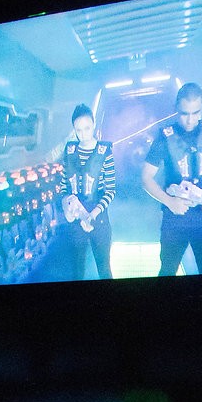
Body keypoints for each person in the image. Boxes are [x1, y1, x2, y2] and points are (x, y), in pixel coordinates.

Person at [141, 83, 202, 276]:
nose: (190, 120)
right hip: (174, 218)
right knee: (167, 271)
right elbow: (146, 177)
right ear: (176, 108)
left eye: (195, 113)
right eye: (184, 114)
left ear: (201, 107)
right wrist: (170, 202)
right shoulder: (164, 137)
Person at [59, 105, 117, 280]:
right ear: (74, 130)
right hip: (76, 217)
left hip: (98, 216)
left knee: (104, 268)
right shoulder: (69, 151)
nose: (83, 134)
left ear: (94, 125)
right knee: (77, 270)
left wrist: (93, 214)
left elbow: (110, 190)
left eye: (87, 128)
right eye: (78, 130)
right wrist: (66, 204)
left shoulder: (105, 153)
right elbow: (63, 186)